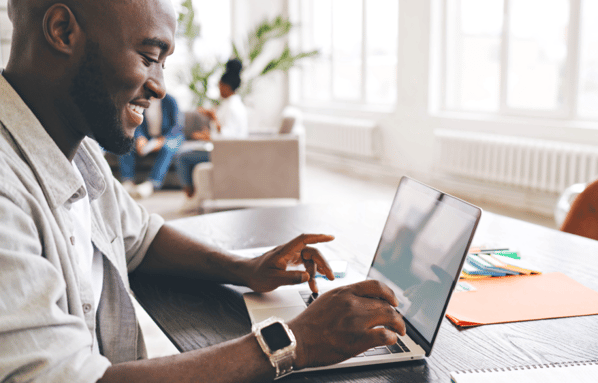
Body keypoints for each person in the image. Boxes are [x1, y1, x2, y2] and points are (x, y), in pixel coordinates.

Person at [0, 1, 405, 382]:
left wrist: (243, 268)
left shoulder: (78, 147)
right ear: (62, 31)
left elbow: (140, 238)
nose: (159, 86)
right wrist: (293, 343)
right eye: (148, 57)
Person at [174, 58, 248, 212]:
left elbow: (229, 136)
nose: (219, 89)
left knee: (182, 156)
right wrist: (212, 119)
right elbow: (224, 130)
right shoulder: (231, 104)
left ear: (226, 87)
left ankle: (191, 196)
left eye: (220, 86)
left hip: (226, 152)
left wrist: (210, 129)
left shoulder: (233, 107)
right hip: (224, 148)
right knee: (186, 153)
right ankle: (193, 195)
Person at [118, 93, 184, 199]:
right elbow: (136, 123)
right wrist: (140, 138)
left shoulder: (170, 100)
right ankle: (128, 181)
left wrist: (162, 140)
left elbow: (177, 126)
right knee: (126, 145)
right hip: (149, 138)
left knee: (167, 148)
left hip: (170, 137)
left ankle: (152, 183)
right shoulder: (140, 102)